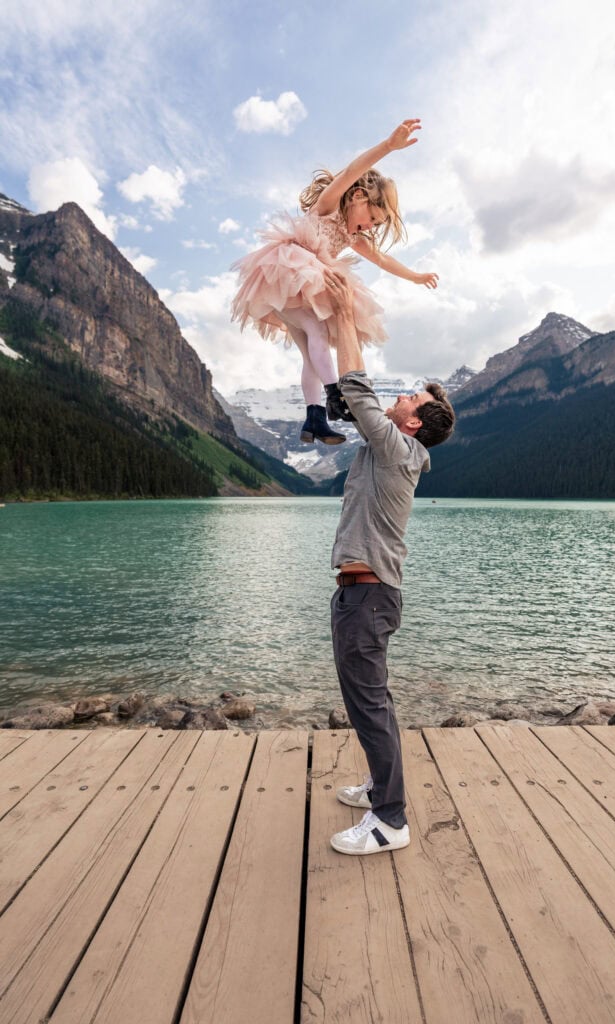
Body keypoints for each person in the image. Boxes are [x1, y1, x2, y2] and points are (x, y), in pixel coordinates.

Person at [323, 269, 455, 855]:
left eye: (412, 400)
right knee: (370, 700)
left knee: (369, 703)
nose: (403, 397)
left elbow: (356, 386)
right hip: (364, 594)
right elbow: (351, 402)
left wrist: (347, 312)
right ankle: (383, 784)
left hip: (369, 597)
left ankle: (391, 821)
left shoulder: (399, 449)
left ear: (413, 422)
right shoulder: (394, 451)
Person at [230, 119, 439, 446]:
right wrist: (387, 146)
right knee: (317, 332)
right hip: (288, 273)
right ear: (357, 196)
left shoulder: (353, 237)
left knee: (310, 352)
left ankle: (315, 418)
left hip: (296, 289)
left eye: (375, 225)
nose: (369, 227)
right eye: (371, 218)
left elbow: (383, 260)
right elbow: (350, 171)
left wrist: (415, 277)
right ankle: (335, 395)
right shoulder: (328, 207)